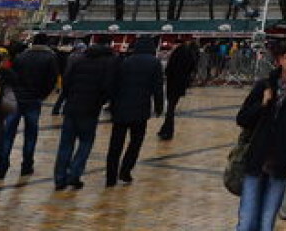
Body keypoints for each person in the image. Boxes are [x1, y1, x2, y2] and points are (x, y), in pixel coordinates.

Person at [234, 40, 286, 231]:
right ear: (280, 60)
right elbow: (242, 118)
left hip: (281, 164)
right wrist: (262, 104)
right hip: (257, 161)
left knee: (266, 223)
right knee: (246, 222)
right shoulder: (265, 85)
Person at [53, 38, 117, 190]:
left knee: (65, 144)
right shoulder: (108, 63)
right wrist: (101, 101)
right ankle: (75, 174)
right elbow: (108, 87)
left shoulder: (78, 60)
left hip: (72, 106)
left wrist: (69, 97)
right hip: (90, 109)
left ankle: (60, 178)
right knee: (85, 142)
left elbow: (67, 82)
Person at [0, 32, 59, 178]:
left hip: (16, 98)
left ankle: (2, 166)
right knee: (30, 134)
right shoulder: (50, 58)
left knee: (8, 133)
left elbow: (12, 76)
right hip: (33, 99)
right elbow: (52, 80)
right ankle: (27, 165)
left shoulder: (21, 56)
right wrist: (42, 95)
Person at [106, 36, 164, 187]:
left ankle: (110, 177)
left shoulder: (125, 61)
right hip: (140, 108)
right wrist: (159, 107)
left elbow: (114, 84)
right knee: (135, 142)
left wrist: (111, 106)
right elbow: (157, 88)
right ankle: (125, 170)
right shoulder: (154, 63)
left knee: (115, 144)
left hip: (120, 108)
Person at [157, 39, 199, 140]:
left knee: (170, 109)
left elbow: (169, 69)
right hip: (181, 84)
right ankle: (164, 129)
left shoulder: (177, 53)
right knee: (171, 107)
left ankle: (167, 131)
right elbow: (192, 67)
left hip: (173, 84)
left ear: (178, 44)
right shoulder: (189, 54)